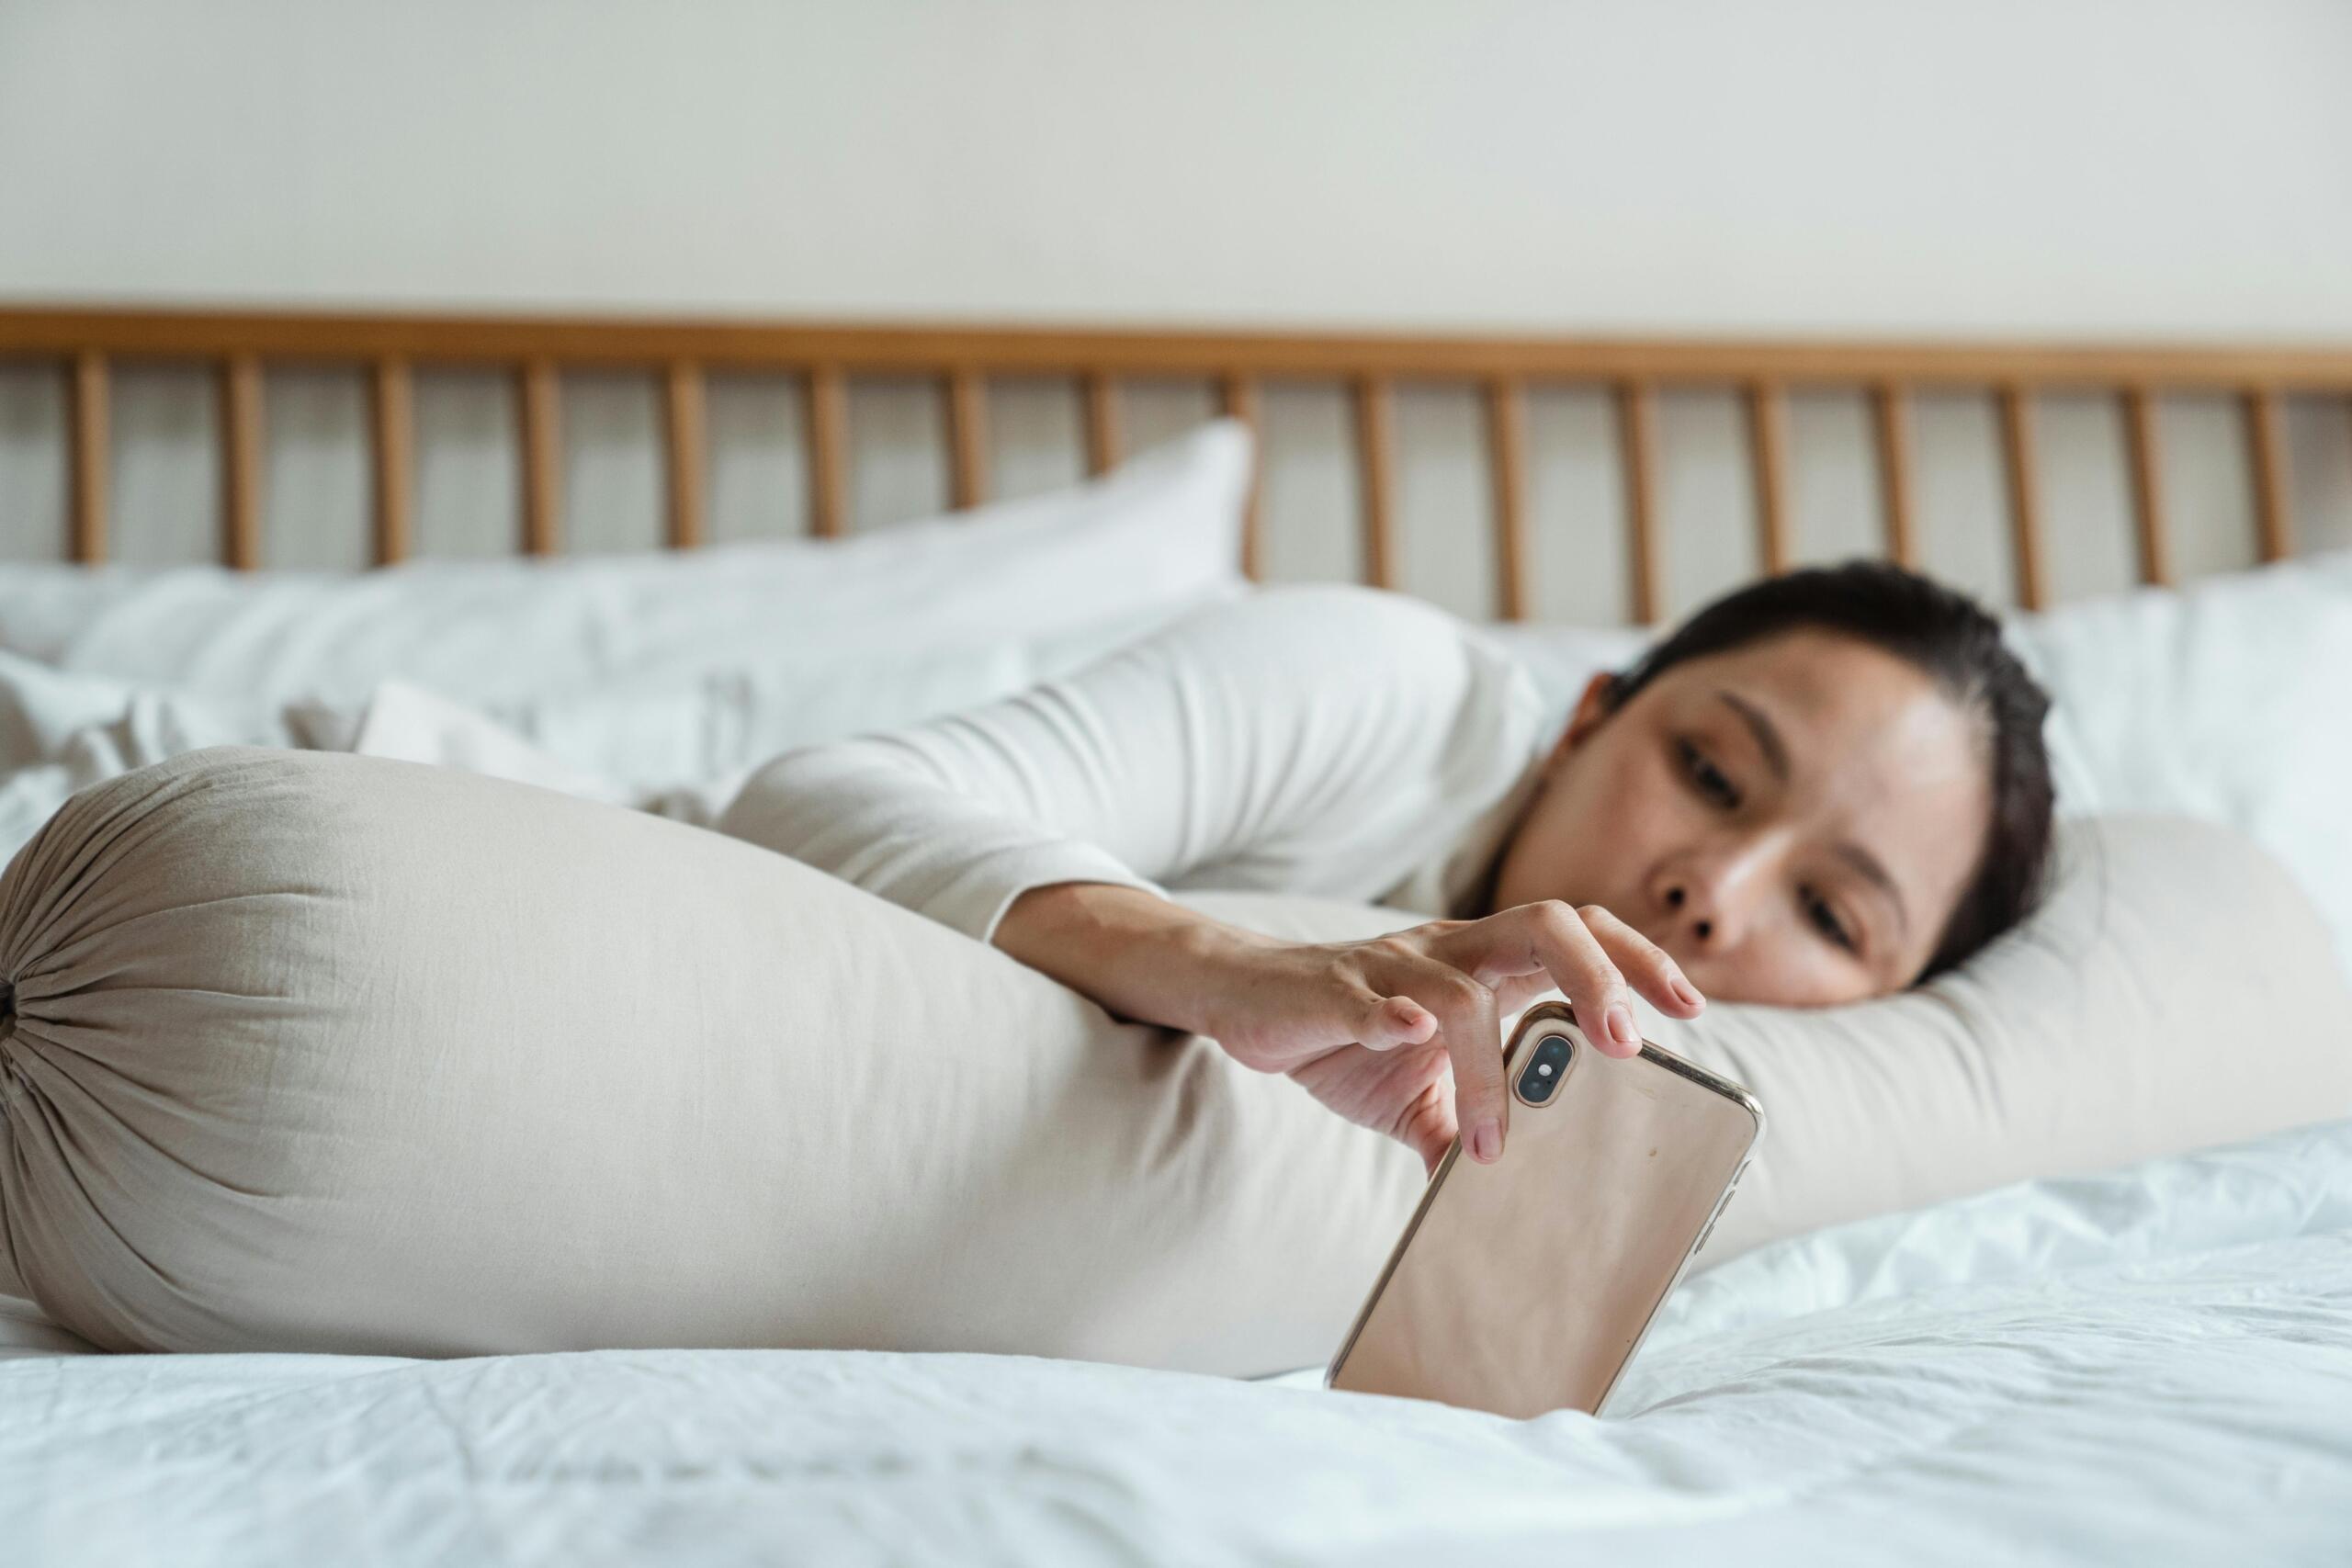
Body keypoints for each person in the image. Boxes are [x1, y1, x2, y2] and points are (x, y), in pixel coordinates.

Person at [717, 559, 2055, 1179]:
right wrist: (1227, 967)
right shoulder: (1386, 690)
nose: (1714, 891)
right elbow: (809, 801)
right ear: (1586, 717)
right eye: (1708, 773)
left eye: (1826, 912)